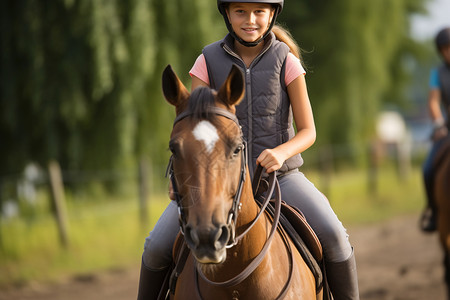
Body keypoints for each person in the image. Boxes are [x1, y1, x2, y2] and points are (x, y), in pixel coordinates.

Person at [137, 1, 360, 299]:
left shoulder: (287, 61)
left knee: (335, 237)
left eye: (258, 11)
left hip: (280, 177)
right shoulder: (206, 60)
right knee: (155, 248)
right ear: (227, 15)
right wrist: (182, 178)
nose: (250, 19)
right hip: (215, 182)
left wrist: (280, 153)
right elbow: (191, 124)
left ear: (272, 14)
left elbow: (309, 131)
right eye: (240, 11)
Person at [420, 27, 450, 232]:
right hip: (447, 127)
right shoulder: (436, 74)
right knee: (428, 167)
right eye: (445, 49)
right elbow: (433, 102)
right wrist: (439, 123)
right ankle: (433, 210)